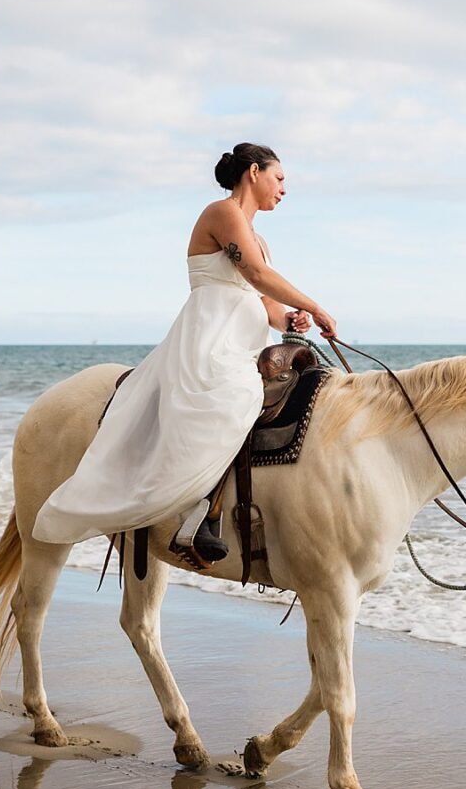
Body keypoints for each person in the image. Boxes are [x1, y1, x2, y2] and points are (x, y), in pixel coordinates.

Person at [31, 143, 337, 563]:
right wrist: (317, 307)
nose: (284, 189)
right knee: (234, 396)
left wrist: (291, 321)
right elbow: (255, 274)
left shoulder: (259, 238)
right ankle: (196, 514)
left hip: (245, 338)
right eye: (279, 178)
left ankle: (221, 506)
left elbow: (264, 300)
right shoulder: (223, 212)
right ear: (253, 172)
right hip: (210, 337)